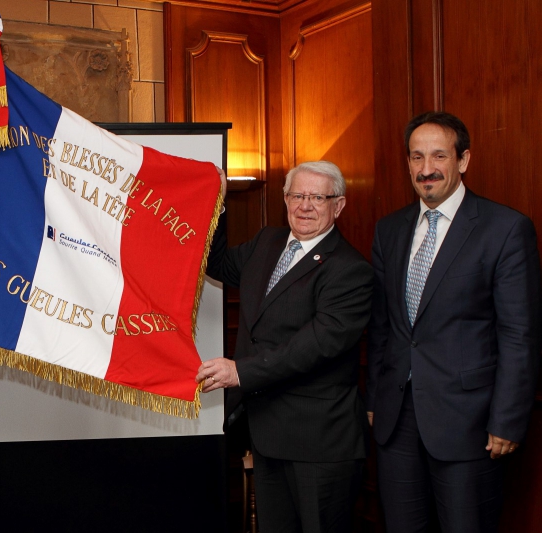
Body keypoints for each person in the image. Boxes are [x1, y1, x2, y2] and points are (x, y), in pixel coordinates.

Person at [366, 111, 541, 532]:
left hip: (471, 425)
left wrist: (506, 420)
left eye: (439, 156)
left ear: (462, 161)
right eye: (416, 157)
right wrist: (374, 398)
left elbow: (519, 334)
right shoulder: (389, 231)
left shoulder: (505, 228)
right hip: (397, 424)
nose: (426, 170)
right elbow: (382, 327)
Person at [197, 161, 373, 533]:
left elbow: (317, 344)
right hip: (266, 433)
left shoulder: (350, 269)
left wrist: (239, 371)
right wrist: (217, 203)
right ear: (284, 199)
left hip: (319, 443)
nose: (305, 206)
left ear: (337, 206)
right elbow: (216, 262)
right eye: (297, 195)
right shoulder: (267, 241)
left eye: (317, 197)